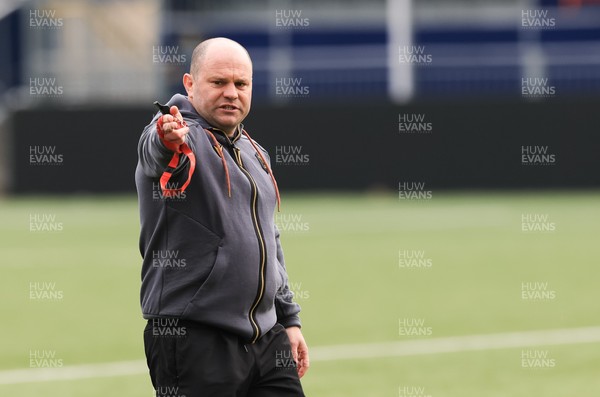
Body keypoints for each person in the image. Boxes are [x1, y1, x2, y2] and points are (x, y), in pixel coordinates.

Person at [135, 37, 309, 396]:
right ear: (190, 84)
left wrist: (289, 320)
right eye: (218, 83)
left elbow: (269, 241)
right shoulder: (179, 133)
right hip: (193, 337)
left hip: (266, 338)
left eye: (240, 84)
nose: (231, 92)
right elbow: (157, 151)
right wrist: (168, 137)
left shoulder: (255, 152)